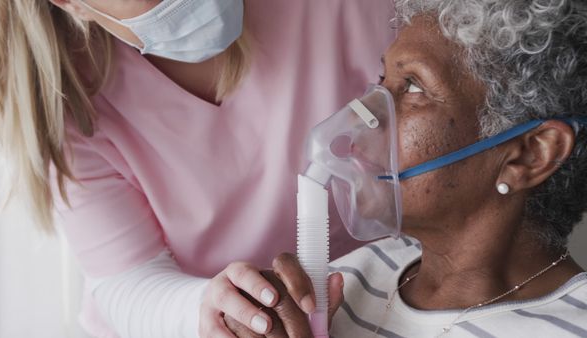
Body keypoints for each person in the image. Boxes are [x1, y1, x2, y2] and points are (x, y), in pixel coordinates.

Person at [0, 0, 396, 337]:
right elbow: (128, 280)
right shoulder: (72, 103)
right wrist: (212, 309)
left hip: (370, 293)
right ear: (72, 3)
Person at [225, 0, 587, 337]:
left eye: (414, 86)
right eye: (382, 81)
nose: (362, 116)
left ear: (530, 155)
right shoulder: (349, 277)